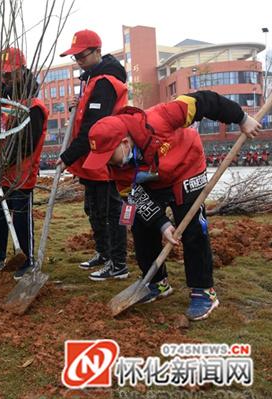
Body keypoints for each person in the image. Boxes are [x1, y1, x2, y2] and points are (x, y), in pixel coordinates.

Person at [82, 90, 261, 321]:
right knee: (140, 223)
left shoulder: (161, 118)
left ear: (124, 143)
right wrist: (161, 223)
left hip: (186, 167)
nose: (106, 162)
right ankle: (157, 283)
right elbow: (132, 197)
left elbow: (204, 101)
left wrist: (241, 118)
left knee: (193, 228)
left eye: (108, 155)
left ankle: (203, 290)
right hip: (152, 180)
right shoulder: (117, 166)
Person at [56, 29, 129, 281]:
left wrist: (68, 155)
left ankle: (118, 263)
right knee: (93, 209)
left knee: (110, 212)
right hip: (91, 158)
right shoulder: (90, 79)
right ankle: (103, 252)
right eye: (74, 57)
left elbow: (93, 126)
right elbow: (87, 114)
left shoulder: (106, 82)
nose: (78, 61)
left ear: (97, 51)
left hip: (104, 156)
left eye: (82, 56)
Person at [0, 47, 49, 280]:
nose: (5, 79)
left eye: (10, 74)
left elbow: (26, 146)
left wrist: (3, 162)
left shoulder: (32, 107)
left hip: (20, 173)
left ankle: (26, 261)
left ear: (22, 71)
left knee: (21, 216)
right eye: (2, 75)